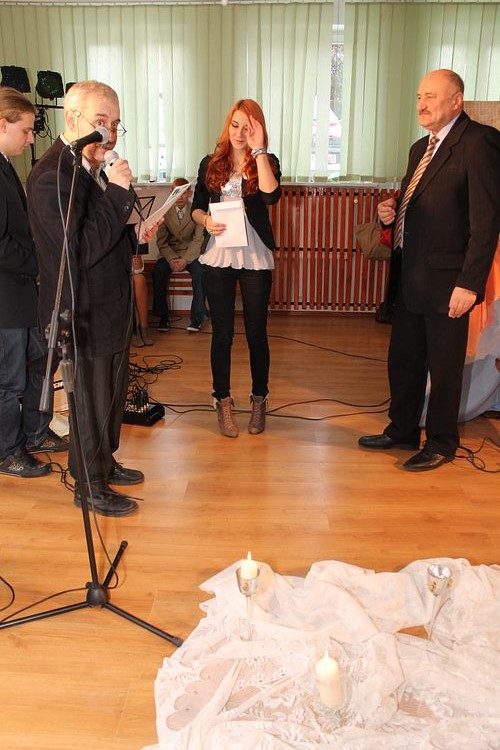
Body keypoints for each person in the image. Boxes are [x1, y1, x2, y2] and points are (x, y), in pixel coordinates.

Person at [27, 81, 160, 515]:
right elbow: (79, 250)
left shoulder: (90, 166)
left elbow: (103, 234)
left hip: (110, 304)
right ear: (72, 119)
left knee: (111, 396)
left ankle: (104, 463)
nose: (110, 134)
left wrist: (135, 233)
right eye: (101, 123)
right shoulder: (51, 176)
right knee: (90, 401)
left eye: (116, 124)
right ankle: (88, 484)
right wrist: (119, 193)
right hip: (81, 310)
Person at [359, 69, 500, 471]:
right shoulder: (420, 147)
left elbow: (486, 222)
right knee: (404, 359)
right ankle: (402, 429)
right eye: (419, 96)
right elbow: (415, 204)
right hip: (411, 278)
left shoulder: (479, 142)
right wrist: (388, 214)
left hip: (450, 282)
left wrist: (469, 284)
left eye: (431, 97)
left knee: (444, 368)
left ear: (456, 100)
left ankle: (441, 441)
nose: (421, 104)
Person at [191, 99, 281, 437]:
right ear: (227, 125)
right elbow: (197, 207)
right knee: (222, 334)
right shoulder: (210, 163)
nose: (240, 132)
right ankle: (222, 400)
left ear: (258, 129)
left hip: (254, 255)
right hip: (219, 254)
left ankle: (259, 399)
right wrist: (206, 220)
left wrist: (259, 151)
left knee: (257, 333)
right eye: (235, 125)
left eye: (248, 126)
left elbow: (271, 197)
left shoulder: (266, 161)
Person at [0, 87, 67, 479]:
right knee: (9, 381)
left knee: (43, 361)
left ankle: (35, 433)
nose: (30, 139)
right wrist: (41, 262)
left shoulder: (6, 164)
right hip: (7, 296)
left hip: (25, 292)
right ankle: (8, 452)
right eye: (25, 130)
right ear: (2, 125)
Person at [152, 178, 207, 333]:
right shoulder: (164, 211)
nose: (180, 197)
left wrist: (185, 260)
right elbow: (161, 241)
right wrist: (171, 259)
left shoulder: (197, 212)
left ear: (190, 193)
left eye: (184, 193)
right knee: (158, 271)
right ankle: (162, 317)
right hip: (170, 253)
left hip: (190, 254)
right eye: (177, 193)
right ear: (171, 193)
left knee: (201, 272)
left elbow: (198, 240)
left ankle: (197, 318)